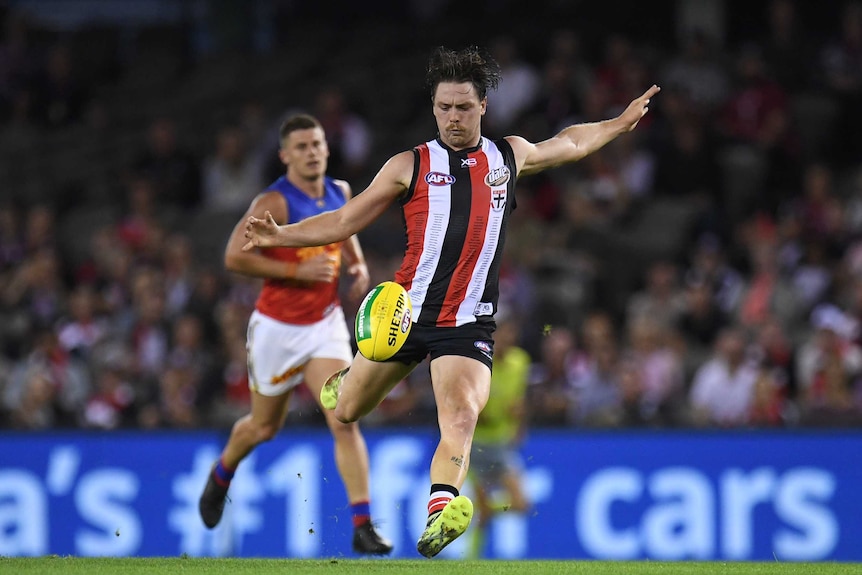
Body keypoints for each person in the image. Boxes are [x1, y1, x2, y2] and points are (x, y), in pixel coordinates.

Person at [243, 46, 659, 558]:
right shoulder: (409, 165)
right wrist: (280, 235)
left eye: (463, 107)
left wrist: (618, 123)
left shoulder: (508, 155)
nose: (452, 118)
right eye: (444, 108)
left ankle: (441, 511)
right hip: (404, 315)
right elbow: (346, 219)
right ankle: (345, 383)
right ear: (433, 107)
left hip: (468, 323)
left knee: (461, 416)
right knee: (347, 410)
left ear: (483, 105)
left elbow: (570, 142)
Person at [197, 113, 393, 555]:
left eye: (318, 144)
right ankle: (221, 473)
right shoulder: (276, 202)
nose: (312, 152)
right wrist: (295, 268)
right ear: (285, 155)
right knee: (264, 428)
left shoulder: (340, 191)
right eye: (301, 146)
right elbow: (233, 256)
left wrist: (357, 263)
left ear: (327, 148)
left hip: (323, 326)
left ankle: (363, 526)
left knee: (345, 416)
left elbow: (343, 226)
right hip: (276, 329)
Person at [466, 309, 531, 558]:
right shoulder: (480, 361)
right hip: (476, 446)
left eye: (512, 333)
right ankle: (470, 561)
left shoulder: (520, 361)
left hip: (501, 444)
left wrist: (519, 424)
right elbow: (471, 409)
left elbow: (519, 401)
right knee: (481, 518)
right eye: (504, 334)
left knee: (522, 503)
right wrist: (485, 414)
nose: (509, 339)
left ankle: (486, 508)